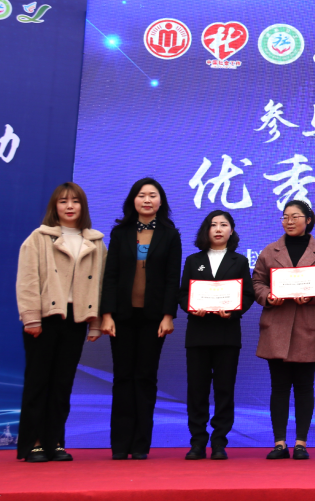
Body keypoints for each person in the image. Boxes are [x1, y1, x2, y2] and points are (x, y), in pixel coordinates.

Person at [15, 183, 105, 463]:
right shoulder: (38, 238)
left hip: (76, 319)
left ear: (83, 206)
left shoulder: (96, 242)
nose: (69, 206)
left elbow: (100, 286)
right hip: (44, 318)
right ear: (54, 206)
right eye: (63, 201)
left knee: (62, 383)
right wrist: (31, 318)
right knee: (38, 381)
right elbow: (27, 281)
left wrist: (95, 323)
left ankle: (54, 441)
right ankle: (34, 443)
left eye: (75, 201)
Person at [100, 177, 182, 460]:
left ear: (161, 202)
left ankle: (140, 445)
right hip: (121, 316)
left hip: (153, 318)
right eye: (141, 195)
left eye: (152, 195)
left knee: (145, 377)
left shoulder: (170, 235)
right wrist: (106, 315)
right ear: (132, 200)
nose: (147, 200)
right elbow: (110, 276)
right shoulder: (120, 232)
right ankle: (120, 445)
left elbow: (172, 279)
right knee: (123, 377)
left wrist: (168, 315)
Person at [252, 199, 315, 460]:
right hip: (277, 326)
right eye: (285, 217)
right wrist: (269, 296)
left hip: (307, 326)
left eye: (295, 217)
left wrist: (314, 294)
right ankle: (279, 443)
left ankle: (301, 443)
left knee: (304, 387)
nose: (289, 221)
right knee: (279, 387)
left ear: (308, 220)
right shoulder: (270, 251)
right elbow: (257, 282)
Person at [177, 210, 254, 460]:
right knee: (196, 391)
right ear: (206, 230)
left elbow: (248, 295)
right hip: (198, 334)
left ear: (231, 231)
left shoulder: (239, 261)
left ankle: (219, 441)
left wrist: (233, 311)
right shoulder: (193, 260)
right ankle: (197, 442)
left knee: (224, 390)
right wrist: (192, 307)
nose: (218, 229)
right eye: (213, 225)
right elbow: (183, 294)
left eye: (224, 224)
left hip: (227, 334)